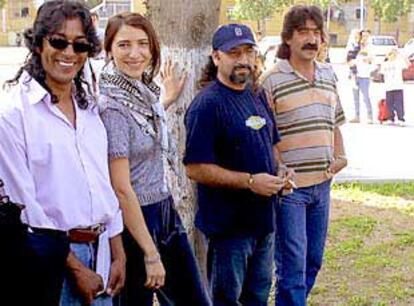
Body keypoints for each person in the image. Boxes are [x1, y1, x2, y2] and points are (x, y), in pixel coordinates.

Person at [0, 1, 126, 305]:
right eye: (58, 41)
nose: (69, 53)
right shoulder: (14, 113)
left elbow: (102, 186)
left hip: (104, 254)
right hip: (51, 261)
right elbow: (26, 207)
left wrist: (118, 251)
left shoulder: (90, 109)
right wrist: (75, 267)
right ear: (39, 42)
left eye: (80, 45)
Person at [98, 12, 211, 306]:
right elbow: (122, 188)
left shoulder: (142, 96)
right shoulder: (113, 108)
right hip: (135, 222)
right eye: (123, 45)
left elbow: (142, 129)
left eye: (142, 44)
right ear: (108, 49)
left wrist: (166, 100)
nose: (135, 54)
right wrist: (150, 253)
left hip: (163, 209)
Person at [184, 23, 290, 306]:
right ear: (216, 57)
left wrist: (281, 174)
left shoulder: (257, 96)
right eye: (234, 52)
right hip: (228, 231)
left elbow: (272, 146)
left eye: (248, 52)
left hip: (263, 223)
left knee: (257, 297)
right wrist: (251, 181)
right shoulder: (207, 105)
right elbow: (195, 167)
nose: (243, 59)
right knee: (226, 300)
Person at [260, 5, 347, 305]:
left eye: (316, 33)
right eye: (303, 33)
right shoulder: (271, 81)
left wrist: (341, 155)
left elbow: (334, 120)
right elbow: (265, 135)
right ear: (288, 38)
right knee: (292, 265)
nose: (311, 39)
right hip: (290, 191)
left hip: (323, 185)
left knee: (313, 261)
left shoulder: (328, 74)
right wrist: (279, 167)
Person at [380, 48, 408, 125]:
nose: (391, 56)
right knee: (389, 104)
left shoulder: (399, 62)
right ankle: (390, 118)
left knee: (399, 103)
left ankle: (401, 119)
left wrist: (401, 55)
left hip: (398, 86)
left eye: (392, 54)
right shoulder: (385, 64)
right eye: (389, 54)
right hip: (388, 87)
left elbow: (407, 64)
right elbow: (382, 74)